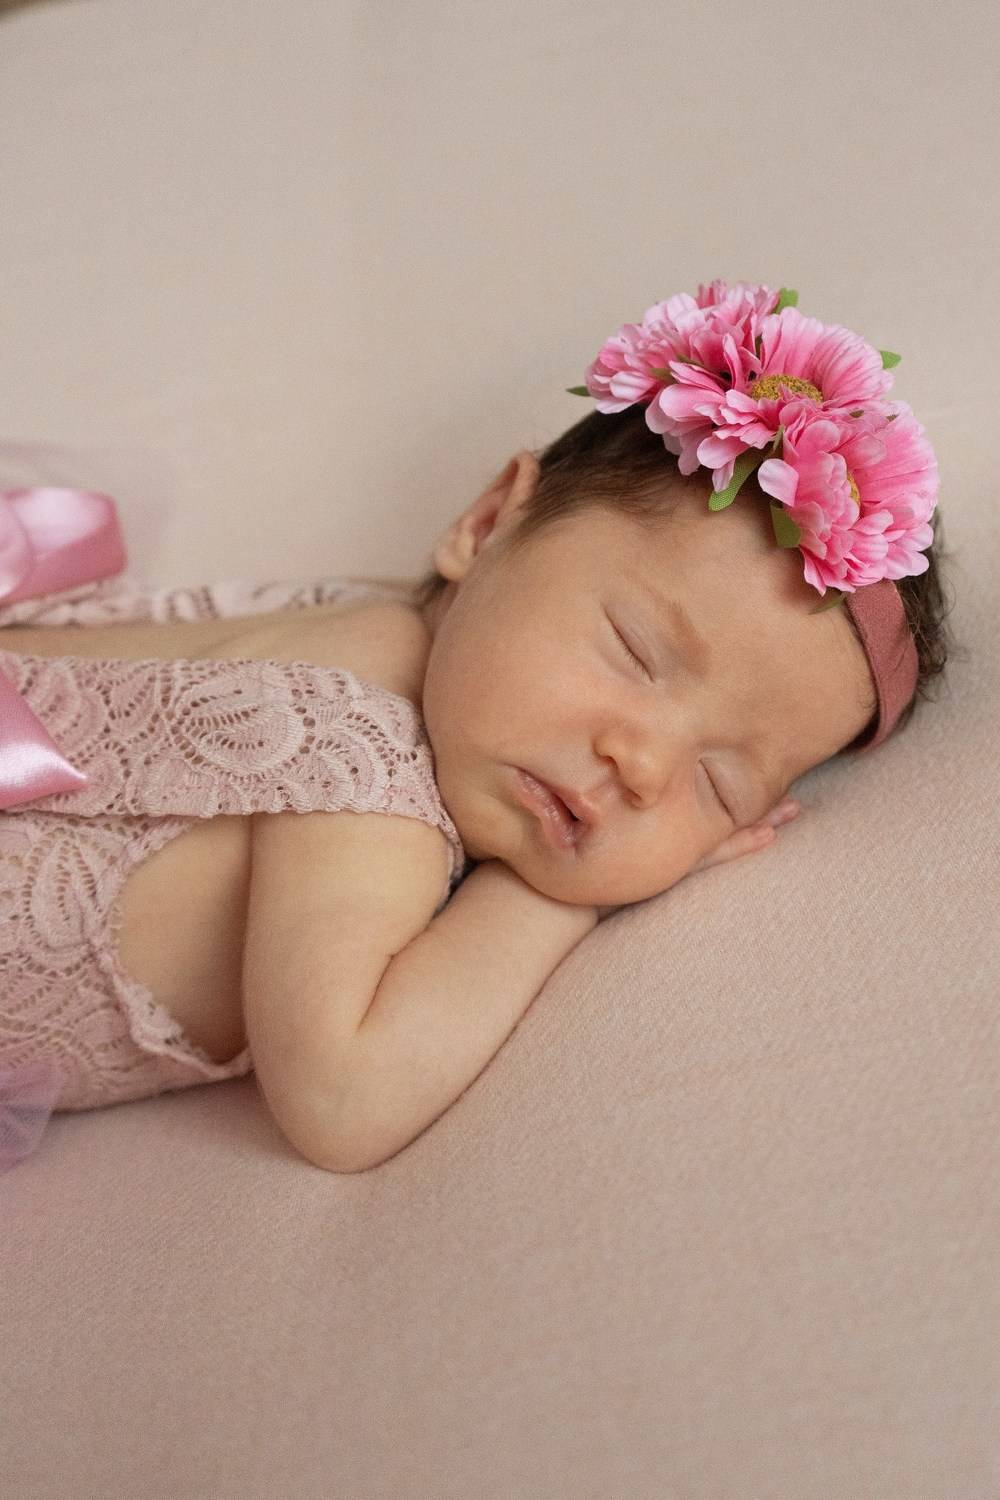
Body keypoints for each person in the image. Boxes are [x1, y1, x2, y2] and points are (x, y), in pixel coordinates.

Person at [0, 279, 956, 1170]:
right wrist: (554, 902)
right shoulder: (360, 712)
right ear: (490, 520)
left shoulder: (430, 656)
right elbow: (341, 1099)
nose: (642, 766)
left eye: (719, 784)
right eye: (634, 651)